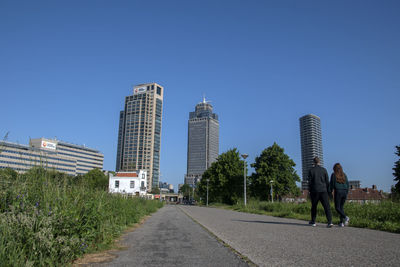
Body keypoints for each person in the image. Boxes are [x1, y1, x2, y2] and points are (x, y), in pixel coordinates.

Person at [307, 157, 333, 228]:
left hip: (314, 190)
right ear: (319, 162)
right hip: (323, 190)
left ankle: (313, 221)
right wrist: (328, 191)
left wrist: (309, 190)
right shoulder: (324, 170)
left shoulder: (311, 170)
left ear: (313, 162)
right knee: (326, 206)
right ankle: (329, 221)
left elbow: (309, 182)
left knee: (314, 206)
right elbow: (327, 181)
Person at [330, 163, 350, 227]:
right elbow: (347, 184)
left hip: (338, 191)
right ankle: (341, 223)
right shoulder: (344, 175)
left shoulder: (333, 175)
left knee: (337, 208)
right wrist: (346, 192)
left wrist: (330, 192)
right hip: (345, 191)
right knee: (341, 207)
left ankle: (345, 217)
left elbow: (331, 185)